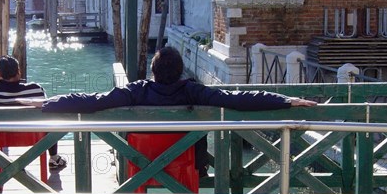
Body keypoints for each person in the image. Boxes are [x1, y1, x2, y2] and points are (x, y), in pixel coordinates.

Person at [23, 46, 317, 173]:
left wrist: (48, 104)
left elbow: (92, 101)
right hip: (186, 162)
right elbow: (237, 99)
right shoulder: (192, 90)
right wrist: (283, 100)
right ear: (179, 71)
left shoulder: (137, 90)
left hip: (141, 160)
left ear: (153, 70)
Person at [0, 55, 67, 168]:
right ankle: (54, 158)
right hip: (34, 137)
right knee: (50, 118)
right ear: (19, 72)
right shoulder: (36, 90)